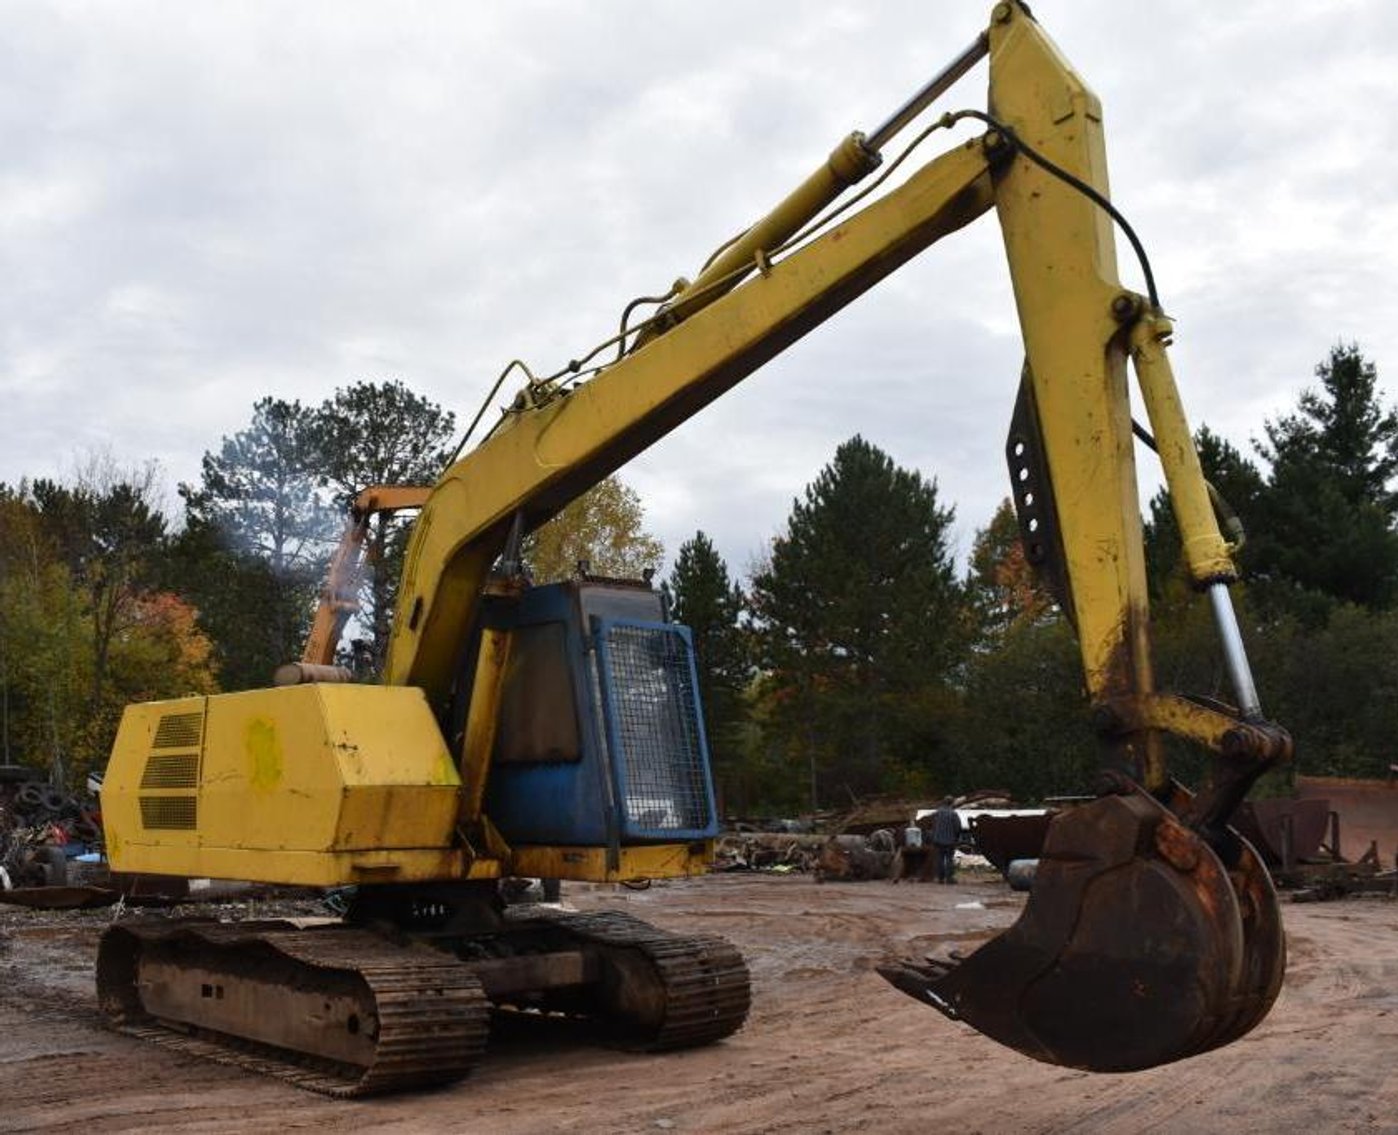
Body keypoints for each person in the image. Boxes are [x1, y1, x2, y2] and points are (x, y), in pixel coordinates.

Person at [929, 798, 961, 884]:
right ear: (952, 803)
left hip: (938, 840)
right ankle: (949, 878)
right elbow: (957, 828)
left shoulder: (937, 813)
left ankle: (940, 878)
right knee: (949, 859)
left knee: (940, 859)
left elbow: (932, 826)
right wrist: (956, 838)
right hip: (950, 840)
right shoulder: (953, 814)